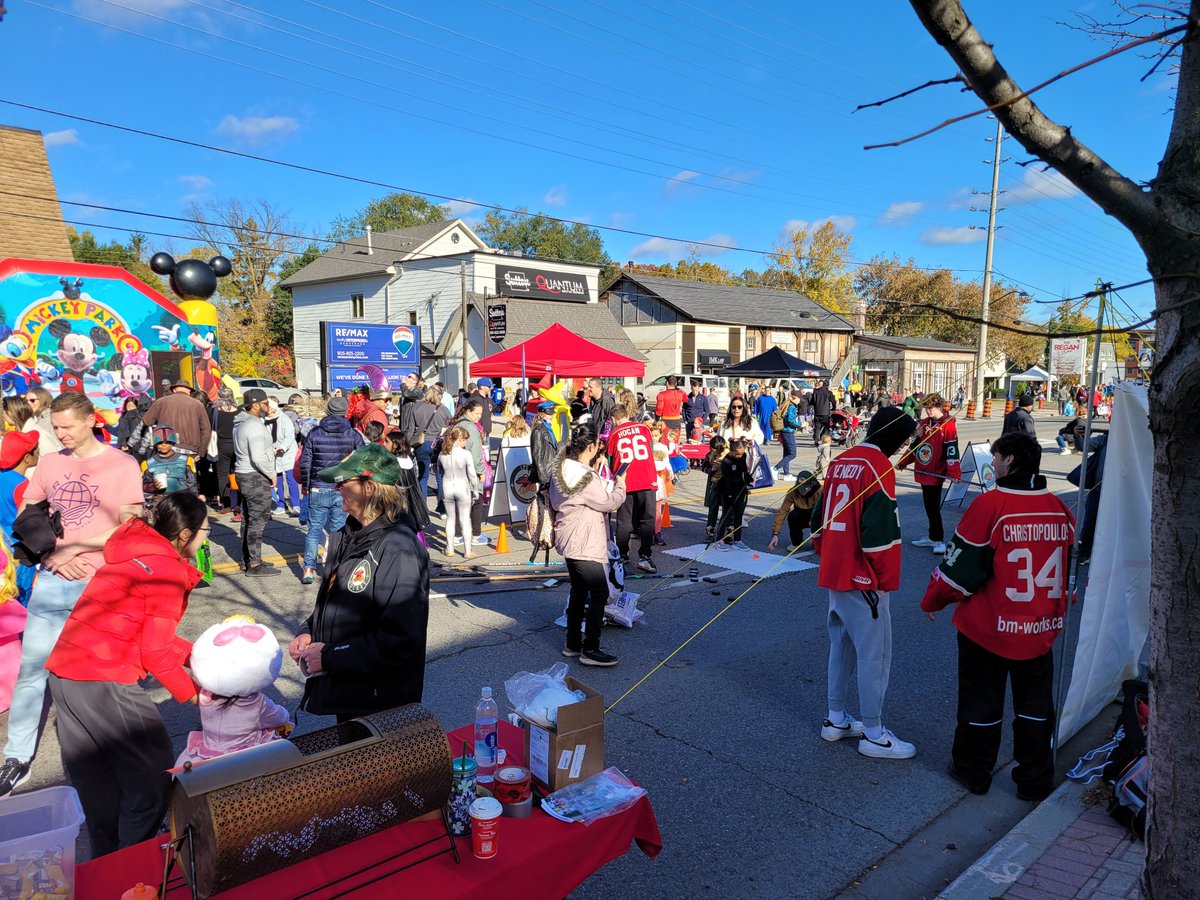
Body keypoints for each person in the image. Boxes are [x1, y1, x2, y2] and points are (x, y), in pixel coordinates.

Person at [43, 492, 205, 854]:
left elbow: (145, 633)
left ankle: (105, 868)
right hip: (105, 678)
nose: (205, 538)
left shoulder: (137, 552)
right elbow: (156, 652)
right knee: (152, 784)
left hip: (66, 676)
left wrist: (202, 656)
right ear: (185, 535)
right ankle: (133, 868)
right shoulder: (166, 570)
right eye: (205, 531)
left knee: (100, 790)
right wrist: (198, 696)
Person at [0, 392, 144, 797]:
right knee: (33, 670)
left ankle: (112, 753)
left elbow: (129, 527)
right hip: (52, 579)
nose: (60, 433)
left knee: (101, 675)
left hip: (102, 584)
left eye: (67, 426)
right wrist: (52, 555)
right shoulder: (50, 463)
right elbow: (28, 516)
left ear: (90, 420)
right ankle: (16, 757)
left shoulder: (122, 464)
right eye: (56, 427)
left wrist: (75, 548)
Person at [921, 433, 1075, 801]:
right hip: (1040, 626)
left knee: (981, 703)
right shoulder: (1059, 508)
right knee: (1035, 707)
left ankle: (973, 772)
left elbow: (959, 570)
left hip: (989, 627)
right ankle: (1035, 780)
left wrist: (933, 601)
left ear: (1010, 460)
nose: (992, 463)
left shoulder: (991, 505)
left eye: (996, 457)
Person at [808, 406, 918, 760]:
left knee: (841, 647)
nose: (904, 447)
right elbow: (880, 534)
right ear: (895, 437)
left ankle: (836, 717)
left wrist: (827, 553)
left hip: (835, 571)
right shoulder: (878, 466)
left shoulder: (842, 461)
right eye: (904, 440)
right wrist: (883, 580)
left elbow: (817, 516)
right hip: (864, 578)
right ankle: (873, 732)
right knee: (874, 656)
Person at [289, 444, 430, 719]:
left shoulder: (398, 548)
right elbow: (339, 603)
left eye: (343, 481)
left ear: (369, 488)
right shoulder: (349, 535)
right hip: (350, 690)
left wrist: (330, 656)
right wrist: (309, 631)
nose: (336, 487)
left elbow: (401, 638)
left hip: (380, 703)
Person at [548, 425, 627, 667]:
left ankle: (573, 643)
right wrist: (621, 484)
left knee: (579, 591)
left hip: (568, 535)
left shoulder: (560, 470)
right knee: (599, 593)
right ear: (591, 446)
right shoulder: (586, 477)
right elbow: (609, 503)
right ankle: (590, 648)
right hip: (584, 540)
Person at [175, 617, 290, 768]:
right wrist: (284, 714)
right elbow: (279, 717)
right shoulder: (257, 703)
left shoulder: (206, 696)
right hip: (244, 755)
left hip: (208, 750)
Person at [297, 395, 363, 585]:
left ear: (328, 411)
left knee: (314, 529)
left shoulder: (315, 433)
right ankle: (334, 570)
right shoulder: (353, 434)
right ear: (345, 412)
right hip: (343, 488)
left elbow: (306, 462)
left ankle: (308, 568)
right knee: (337, 531)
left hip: (318, 486)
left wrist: (306, 485)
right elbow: (361, 461)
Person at [897, 393, 961, 556]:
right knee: (928, 505)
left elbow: (952, 450)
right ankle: (932, 537)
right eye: (926, 408)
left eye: (930, 408)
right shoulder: (925, 423)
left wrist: (954, 472)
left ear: (939, 406)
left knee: (933, 507)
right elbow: (915, 445)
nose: (928, 411)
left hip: (936, 472)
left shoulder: (948, 426)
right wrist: (903, 461)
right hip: (923, 469)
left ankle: (938, 539)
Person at [607, 400, 657, 574]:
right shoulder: (644, 429)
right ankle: (645, 556)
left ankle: (622, 555)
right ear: (628, 415)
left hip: (625, 480)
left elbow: (610, 461)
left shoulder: (614, 434)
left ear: (613, 419)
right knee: (648, 519)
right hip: (646, 478)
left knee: (624, 521)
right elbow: (650, 450)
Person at [233, 388, 279, 577]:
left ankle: (249, 559)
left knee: (249, 519)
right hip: (254, 476)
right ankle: (254, 565)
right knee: (258, 521)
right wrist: (272, 474)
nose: (268, 406)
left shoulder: (242, 423)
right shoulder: (254, 426)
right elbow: (259, 457)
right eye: (265, 403)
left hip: (245, 474)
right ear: (255, 405)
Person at [0, 431, 39, 605]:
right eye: (36, 451)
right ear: (27, 458)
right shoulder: (23, 486)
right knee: (20, 594)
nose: (38, 454)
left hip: (2, 545)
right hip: (19, 548)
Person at [450, 399, 490, 548]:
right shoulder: (471, 428)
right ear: (468, 412)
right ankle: (475, 535)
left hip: (456, 469)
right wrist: (481, 471)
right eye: (476, 413)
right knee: (477, 501)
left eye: (480, 414)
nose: (479, 416)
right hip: (469, 470)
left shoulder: (458, 423)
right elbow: (475, 453)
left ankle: (457, 535)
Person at [143, 379, 212, 458]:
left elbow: (146, 421)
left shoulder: (160, 402)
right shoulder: (198, 405)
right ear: (189, 391)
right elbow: (206, 430)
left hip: (166, 448)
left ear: (174, 390)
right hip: (190, 449)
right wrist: (201, 452)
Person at [440, 426, 481, 557]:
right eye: (465, 440)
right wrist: (475, 489)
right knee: (465, 520)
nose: (466, 442)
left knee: (450, 519)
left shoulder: (442, 454)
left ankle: (450, 548)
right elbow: (472, 475)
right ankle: (468, 551)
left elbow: (439, 470)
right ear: (460, 439)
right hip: (462, 487)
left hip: (447, 487)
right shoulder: (466, 454)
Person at [141, 426, 198, 516]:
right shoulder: (148, 464)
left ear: (172, 442)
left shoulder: (187, 461)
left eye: (167, 442)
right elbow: (144, 487)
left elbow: (192, 484)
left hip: (181, 502)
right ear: (155, 444)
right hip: (160, 504)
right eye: (160, 442)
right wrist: (152, 486)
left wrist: (194, 503)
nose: (164, 445)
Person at [411, 386, 450, 505]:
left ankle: (423, 506)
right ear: (440, 396)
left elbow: (410, 428)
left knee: (423, 476)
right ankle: (442, 507)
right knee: (440, 476)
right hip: (438, 444)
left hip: (421, 443)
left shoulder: (416, 407)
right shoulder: (443, 409)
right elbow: (451, 426)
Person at [767, 470, 821, 553]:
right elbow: (782, 511)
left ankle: (819, 540)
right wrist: (775, 533)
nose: (802, 490)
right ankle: (797, 541)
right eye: (800, 487)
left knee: (818, 547)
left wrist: (814, 521)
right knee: (792, 515)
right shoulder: (793, 492)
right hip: (802, 515)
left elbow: (828, 510)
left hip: (818, 517)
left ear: (811, 484)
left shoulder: (820, 491)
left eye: (805, 487)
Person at [714, 438, 754, 551]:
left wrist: (747, 477)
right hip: (727, 489)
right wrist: (730, 494)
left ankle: (737, 540)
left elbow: (743, 470)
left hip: (740, 488)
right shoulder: (726, 461)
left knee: (739, 514)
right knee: (726, 515)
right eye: (737, 454)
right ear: (731, 451)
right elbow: (726, 479)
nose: (739, 456)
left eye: (741, 454)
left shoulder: (743, 456)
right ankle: (719, 540)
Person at [267, 400, 301, 518]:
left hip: (288, 453)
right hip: (273, 453)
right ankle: (281, 504)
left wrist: (283, 447)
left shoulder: (284, 419)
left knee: (291, 478)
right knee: (277, 479)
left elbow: (290, 436)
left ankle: (296, 505)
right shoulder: (263, 419)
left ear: (273, 409)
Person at [210, 387, 240, 515]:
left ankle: (226, 504)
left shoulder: (215, 411)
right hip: (237, 446)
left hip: (221, 446)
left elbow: (210, 427)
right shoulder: (239, 411)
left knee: (222, 475)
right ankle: (238, 503)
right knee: (237, 474)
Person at [22, 386, 63, 457]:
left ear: (43, 400)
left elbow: (58, 447)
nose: (28, 404)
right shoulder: (42, 418)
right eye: (26, 401)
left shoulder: (49, 419)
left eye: (32, 400)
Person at [701, 435, 727, 544]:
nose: (718, 452)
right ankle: (710, 534)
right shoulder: (710, 455)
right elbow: (703, 467)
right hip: (714, 484)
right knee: (713, 509)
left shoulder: (729, 454)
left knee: (728, 510)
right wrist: (712, 469)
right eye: (715, 449)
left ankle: (728, 534)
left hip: (727, 485)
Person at [775, 390, 803, 477]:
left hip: (783, 431)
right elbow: (790, 421)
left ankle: (786, 473)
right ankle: (775, 468)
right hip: (788, 432)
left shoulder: (787, 405)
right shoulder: (792, 407)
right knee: (792, 454)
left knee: (786, 453)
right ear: (796, 398)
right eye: (799, 399)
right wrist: (801, 424)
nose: (800, 401)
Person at [811, 380, 836, 445]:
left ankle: (816, 441)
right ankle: (823, 437)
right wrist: (833, 408)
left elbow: (812, 402)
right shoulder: (828, 392)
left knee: (817, 428)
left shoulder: (816, 392)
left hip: (817, 412)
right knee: (826, 427)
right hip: (825, 413)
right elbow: (833, 401)